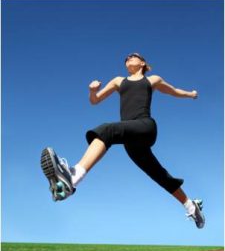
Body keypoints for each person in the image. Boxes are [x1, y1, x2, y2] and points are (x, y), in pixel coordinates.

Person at [41, 52, 205, 229]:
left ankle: (73, 177)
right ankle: (191, 206)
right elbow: (95, 101)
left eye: (132, 56)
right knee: (159, 174)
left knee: (108, 130)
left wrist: (191, 94)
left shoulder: (153, 80)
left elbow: (174, 91)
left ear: (142, 63)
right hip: (130, 142)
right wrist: (92, 91)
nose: (128, 58)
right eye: (126, 58)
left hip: (145, 127)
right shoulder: (119, 81)